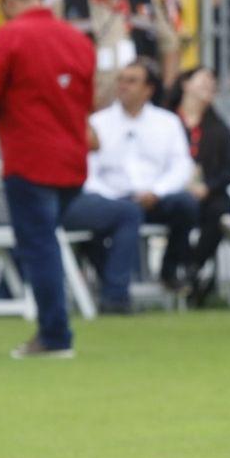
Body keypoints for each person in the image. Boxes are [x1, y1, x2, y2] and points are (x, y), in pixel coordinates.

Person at [0, 0, 95, 359]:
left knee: (39, 246)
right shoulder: (77, 39)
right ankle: (55, 328)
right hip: (72, 158)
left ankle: (55, 335)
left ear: (9, 0)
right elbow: (88, 99)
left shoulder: (9, 36)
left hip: (29, 156)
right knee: (47, 242)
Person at [70, 60, 198, 302]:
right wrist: (111, 198)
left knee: (187, 205)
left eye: (131, 81)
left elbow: (181, 165)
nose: (123, 86)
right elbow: (88, 170)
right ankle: (112, 288)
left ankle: (169, 270)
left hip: (154, 198)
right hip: (112, 199)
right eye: (121, 80)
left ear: (148, 89)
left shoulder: (167, 122)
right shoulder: (99, 122)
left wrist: (157, 191)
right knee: (101, 218)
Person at [58, 0, 181, 105]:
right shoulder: (68, 5)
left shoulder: (144, 1)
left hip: (139, 108)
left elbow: (170, 45)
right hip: (88, 105)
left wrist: (166, 93)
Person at [167, 66, 230, 306]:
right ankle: (180, 271)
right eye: (202, 80)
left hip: (208, 193)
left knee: (220, 210)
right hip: (171, 193)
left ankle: (192, 267)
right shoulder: (166, 121)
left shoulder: (219, 127)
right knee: (180, 209)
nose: (209, 86)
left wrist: (207, 187)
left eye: (212, 83)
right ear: (185, 84)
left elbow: (229, 170)